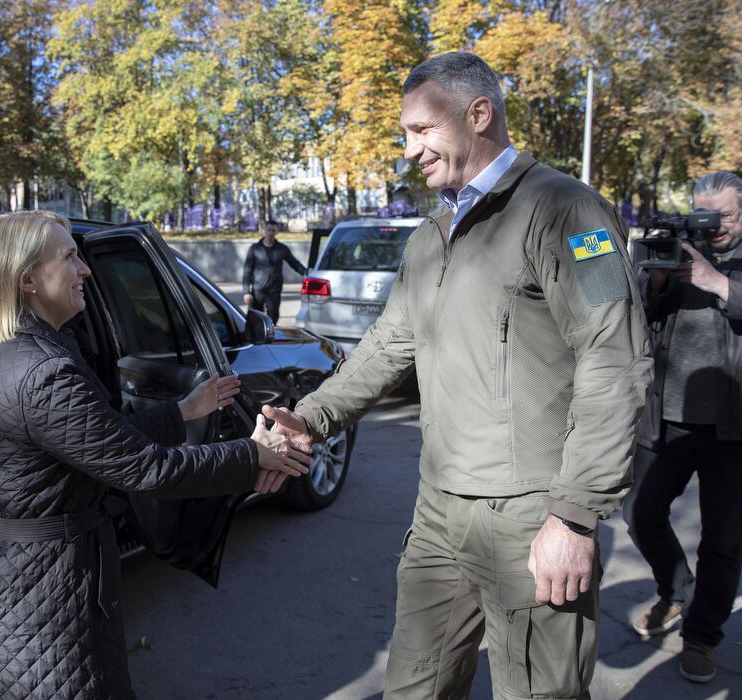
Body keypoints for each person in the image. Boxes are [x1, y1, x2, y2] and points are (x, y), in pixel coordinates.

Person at [260, 52, 653, 699]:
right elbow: (388, 345)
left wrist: (575, 516)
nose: (409, 149)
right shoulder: (431, 235)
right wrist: (311, 418)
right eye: (405, 132)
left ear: (479, 114)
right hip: (439, 511)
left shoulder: (569, 211)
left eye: (422, 129)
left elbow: (616, 358)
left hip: (531, 513)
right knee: (416, 686)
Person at [0, 211, 312, 699]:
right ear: (27, 279)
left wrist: (183, 411)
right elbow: (149, 469)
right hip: (46, 584)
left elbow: (100, 440)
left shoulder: (17, 350)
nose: (85, 269)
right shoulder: (46, 373)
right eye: (69, 257)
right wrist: (253, 454)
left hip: (17, 570)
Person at [623, 171, 742, 683]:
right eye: (704, 216)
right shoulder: (682, 246)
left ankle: (701, 637)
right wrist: (656, 280)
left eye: (723, 216)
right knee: (640, 513)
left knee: (722, 541)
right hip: (667, 416)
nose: (712, 227)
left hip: (737, 424)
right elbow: (639, 312)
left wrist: (716, 281)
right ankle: (678, 592)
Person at [242, 219, 306, 323]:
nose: (271, 233)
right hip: (258, 290)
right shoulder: (254, 249)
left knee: (273, 319)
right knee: (254, 319)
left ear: (277, 232)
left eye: (273, 230)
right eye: (269, 230)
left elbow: (295, 264)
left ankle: (271, 333)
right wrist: (246, 292)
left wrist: (307, 274)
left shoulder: (282, 249)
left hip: (274, 290)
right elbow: (247, 271)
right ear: (264, 231)